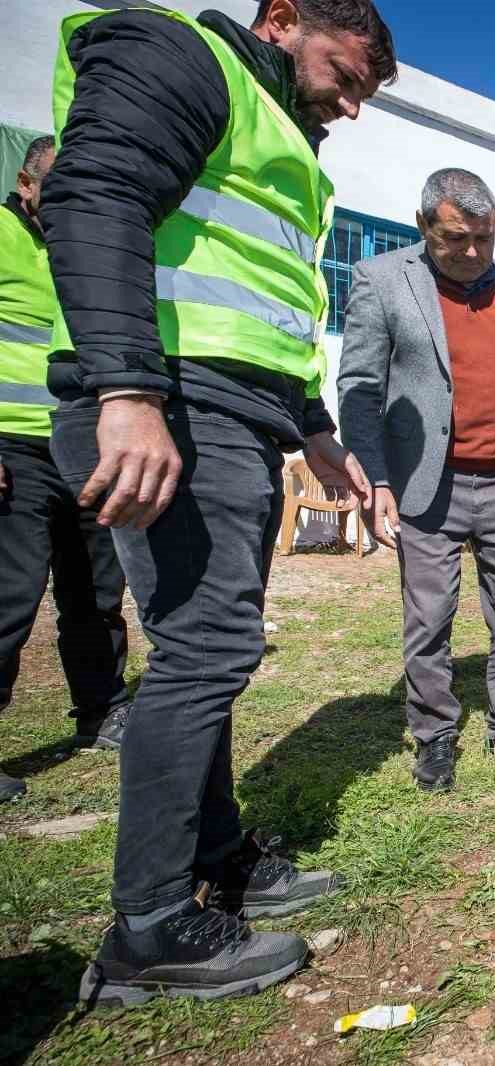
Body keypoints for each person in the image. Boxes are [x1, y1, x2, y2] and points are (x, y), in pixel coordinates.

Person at [41, 0, 396, 1006]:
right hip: (172, 400)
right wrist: (128, 391)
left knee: (207, 645)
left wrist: (318, 433)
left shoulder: (280, 132)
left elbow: (275, 306)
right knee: (205, 650)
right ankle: (149, 927)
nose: (353, 104)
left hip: (227, 406)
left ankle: (220, 854)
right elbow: (98, 195)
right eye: (347, 71)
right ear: (283, 17)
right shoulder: (180, 55)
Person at [340, 167, 495, 791]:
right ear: (424, 228)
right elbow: (360, 390)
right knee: (430, 617)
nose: (472, 253)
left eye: (484, 239)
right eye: (455, 239)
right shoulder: (382, 280)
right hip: (426, 483)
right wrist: (375, 478)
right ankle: (436, 732)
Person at [1, 135, 132, 803]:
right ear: (27, 184)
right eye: (56, 186)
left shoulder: (83, 247)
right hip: (12, 448)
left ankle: (101, 710)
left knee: (95, 595)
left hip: (80, 446)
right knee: (9, 597)